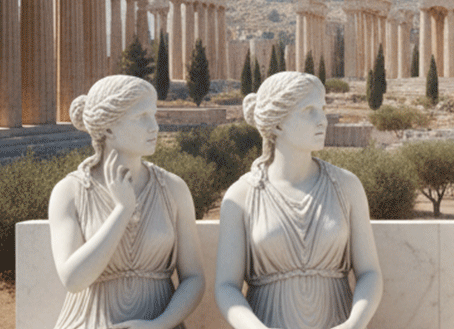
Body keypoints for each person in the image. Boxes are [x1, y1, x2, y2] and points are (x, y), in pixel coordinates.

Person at [214, 72, 382, 329]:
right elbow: (226, 286)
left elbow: (369, 272)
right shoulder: (241, 196)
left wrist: (353, 325)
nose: (322, 120)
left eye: (322, 109)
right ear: (277, 124)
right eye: (309, 111)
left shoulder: (347, 186)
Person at [49, 75, 205, 329]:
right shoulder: (69, 191)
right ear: (108, 128)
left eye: (153, 115)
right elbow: (73, 280)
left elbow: (194, 278)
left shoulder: (173, 188)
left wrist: (160, 324)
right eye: (141, 117)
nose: (154, 127)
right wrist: (122, 211)